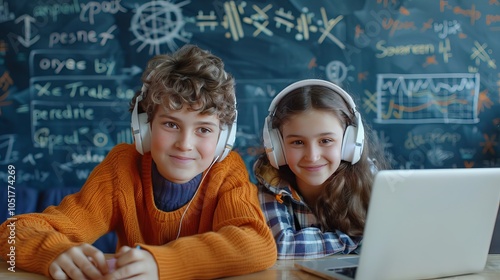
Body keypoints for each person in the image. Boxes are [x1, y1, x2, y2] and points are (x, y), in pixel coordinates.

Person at [0, 44, 277, 279]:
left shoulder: (227, 171)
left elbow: (257, 245)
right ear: (143, 128)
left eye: (203, 129)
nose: (185, 144)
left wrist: (161, 263)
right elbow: (12, 234)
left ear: (222, 139)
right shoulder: (121, 168)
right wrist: (52, 250)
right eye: (170, 124)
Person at [254, 79, 390, 259]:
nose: (312, 156)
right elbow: (280, 245)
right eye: (298, 142)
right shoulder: (271, 185)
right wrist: (352, 239)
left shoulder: (372, 180)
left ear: (351, 142)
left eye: (326, 141)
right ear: (276, 147)